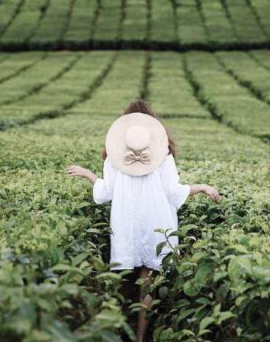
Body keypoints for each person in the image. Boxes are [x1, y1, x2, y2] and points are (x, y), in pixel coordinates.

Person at [66, 99, 220, 342]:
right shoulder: (163, 156)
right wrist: (200, 187)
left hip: (126, 224)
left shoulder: (115, 158)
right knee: (149, 280)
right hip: (156, 222)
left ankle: (115, 332)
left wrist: (88, 175)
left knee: (122, 279)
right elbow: (173, 191)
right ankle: (140, 338)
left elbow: (105, 193)